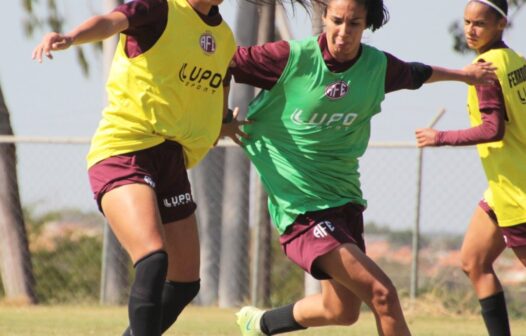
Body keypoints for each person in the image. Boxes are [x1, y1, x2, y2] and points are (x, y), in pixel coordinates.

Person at [221, 0, 496, 335]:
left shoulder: (375, 67)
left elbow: (416, 73)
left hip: (344, 201)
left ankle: (259, 323)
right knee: (383, 294)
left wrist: (465, 76)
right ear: (324, 16)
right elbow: (221, 60)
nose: (343, 32)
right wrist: (220, 118)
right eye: (337, 21)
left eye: (354, 24)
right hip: (301, 209)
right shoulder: (291, 58)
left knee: (340, 309)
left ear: (367, 25)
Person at [32, 0, 236, 335]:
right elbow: (110, 23)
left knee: (186, 281)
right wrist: (71, 37)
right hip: (124, 150)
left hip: (171, 159)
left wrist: (222, 121)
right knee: (153, 258)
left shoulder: (224, 37)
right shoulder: (159, 8)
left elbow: (219, 86)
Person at [415, 0, 526, 335]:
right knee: (473, 261)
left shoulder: (486, 70)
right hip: (501, 189)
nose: (470, 30)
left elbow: (493, 129)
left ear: (500, 24)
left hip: (517, 192)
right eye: (466, 22)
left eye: (479, 23)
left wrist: (440, 137)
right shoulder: (516, 61)